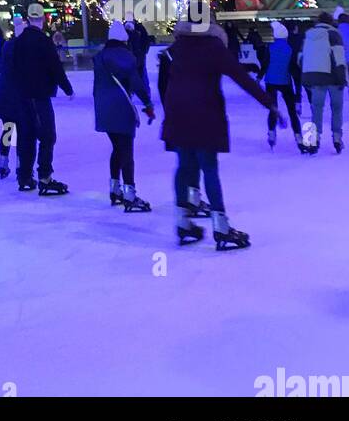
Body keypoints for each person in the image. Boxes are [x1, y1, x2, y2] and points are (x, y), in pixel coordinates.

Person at [162, 15, 282, 249]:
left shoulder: (176, 48)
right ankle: (221, 226)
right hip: (205, 114)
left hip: (178, 113)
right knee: (208, 167)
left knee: (184, 166)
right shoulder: (214, 46)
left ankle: (182, 222)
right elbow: (241, 78)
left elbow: (166, 82)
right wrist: (269, 103)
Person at [93, 21, 155, 212]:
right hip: (122, 108)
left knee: (117, 149)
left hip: (103, 109)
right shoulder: (128, 57)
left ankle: (114, 189)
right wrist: (147, 104)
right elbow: (136, 84)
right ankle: (130, 194)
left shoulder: (100, 57)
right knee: (127, 151)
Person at [12, 3, 73, 195]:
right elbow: (55, 67)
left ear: (28, 19)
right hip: (40, 96)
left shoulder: (19, 42)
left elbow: (11, 69)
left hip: (22, 96)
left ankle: (24, 176)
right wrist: (67, 88)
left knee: (26, 135)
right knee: (47, 135)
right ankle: (45, 176)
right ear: (43, 19)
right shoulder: (44, 41)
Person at [299, 12, 346, 155]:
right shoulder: (334, 34)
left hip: (316, 78)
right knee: (336, 108)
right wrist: (342, 79)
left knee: (317, 109)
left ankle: (314, 139)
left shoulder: (308, 35)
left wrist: (307, 76)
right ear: (331, 21)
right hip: (333, 77)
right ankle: (337, 139)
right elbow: (339, 58)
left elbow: (301, 57)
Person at [259, 20, 301, 150]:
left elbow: (265, 64)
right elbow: (293, 67)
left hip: (270, 82)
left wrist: (259, 76)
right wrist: (297, 84)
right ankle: (298, 137)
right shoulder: (290, 49)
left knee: (273, 108)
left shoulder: (270, 48)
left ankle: (271, 134)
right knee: (292, 111)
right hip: (285, 82)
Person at [0, 14, 25, 179]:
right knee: (21, 131)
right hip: (17, 97)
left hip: (4, 96)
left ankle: (3, 162)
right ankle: (21, 164)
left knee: (8, 130)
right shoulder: (22, 48)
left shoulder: (6, 46)